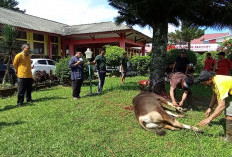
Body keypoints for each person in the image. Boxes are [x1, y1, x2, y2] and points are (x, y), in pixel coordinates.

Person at [198, 71, 232, 142]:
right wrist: (210, 107)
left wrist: (209, 119)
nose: (204, 84)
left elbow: (221, 106)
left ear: (210, 79)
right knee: (229, 110)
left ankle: (229, 138)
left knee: (229, 113)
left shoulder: (219, 83)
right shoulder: (214, 81)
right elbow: (214, 95)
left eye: (204, 82)